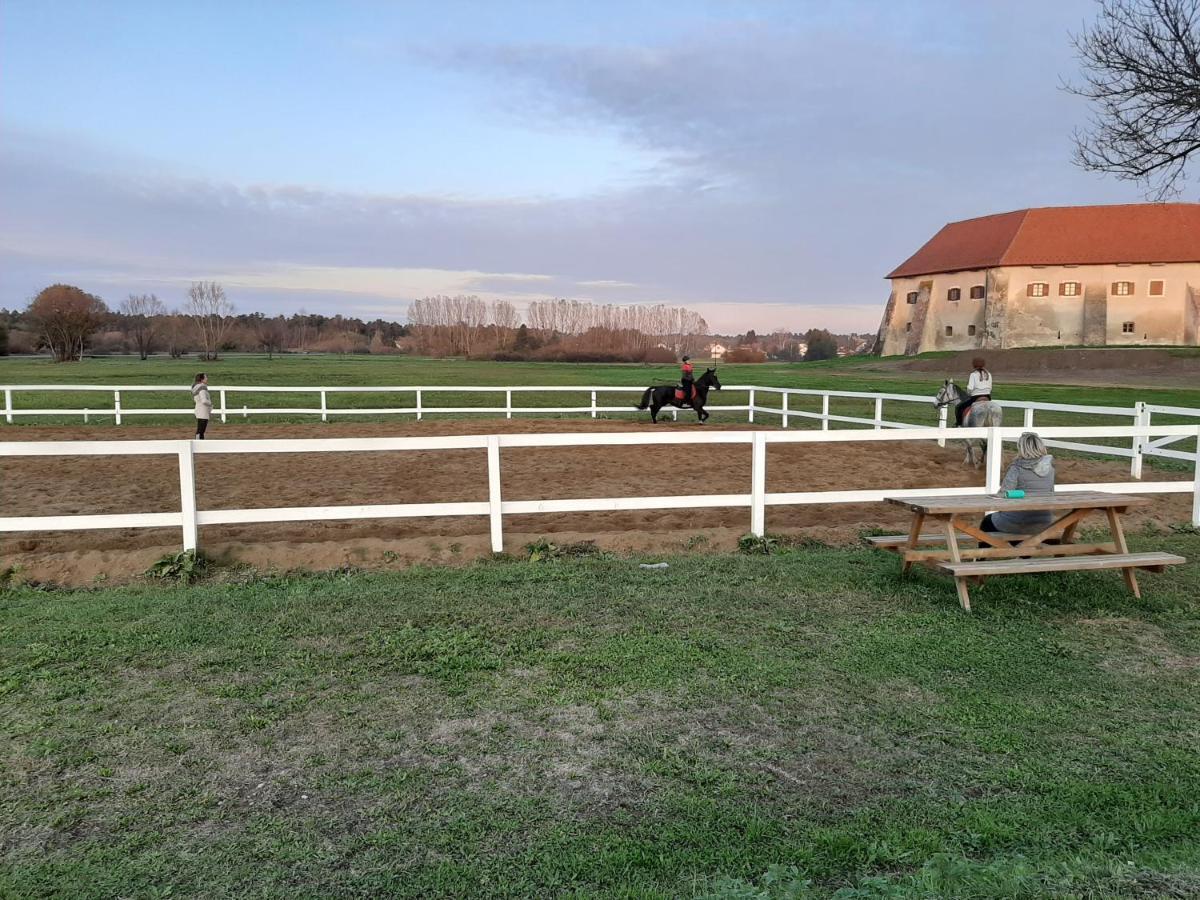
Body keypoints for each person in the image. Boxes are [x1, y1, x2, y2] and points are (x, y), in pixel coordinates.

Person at [980, 432, 1056, 535]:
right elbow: (1050, 492)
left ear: (1021, 448)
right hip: (1044, 521)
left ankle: (989, 551)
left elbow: (1004, 494)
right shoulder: (1050, 468)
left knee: (986, 523)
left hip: (1017, 522)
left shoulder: (1017, 468)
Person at [955, 356, 992, 426]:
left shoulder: (973, 374)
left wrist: (968, 392)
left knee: (960, 407)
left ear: (974, 365)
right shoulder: (988, 374)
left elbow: (970, 388)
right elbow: (990, 388)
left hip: (976, 398)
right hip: (988, 397)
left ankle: (958, 424)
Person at [192, 373, 212, 439]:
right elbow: (204, 400)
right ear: (202, 379)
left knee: (200, 430)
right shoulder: (202, 388)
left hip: (199, 409)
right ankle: (199, 444)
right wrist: (210, 403)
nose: (207, 379)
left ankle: (198, 443)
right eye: (205, 377)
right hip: (203, 411)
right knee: (201, 430)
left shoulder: (196, 388)